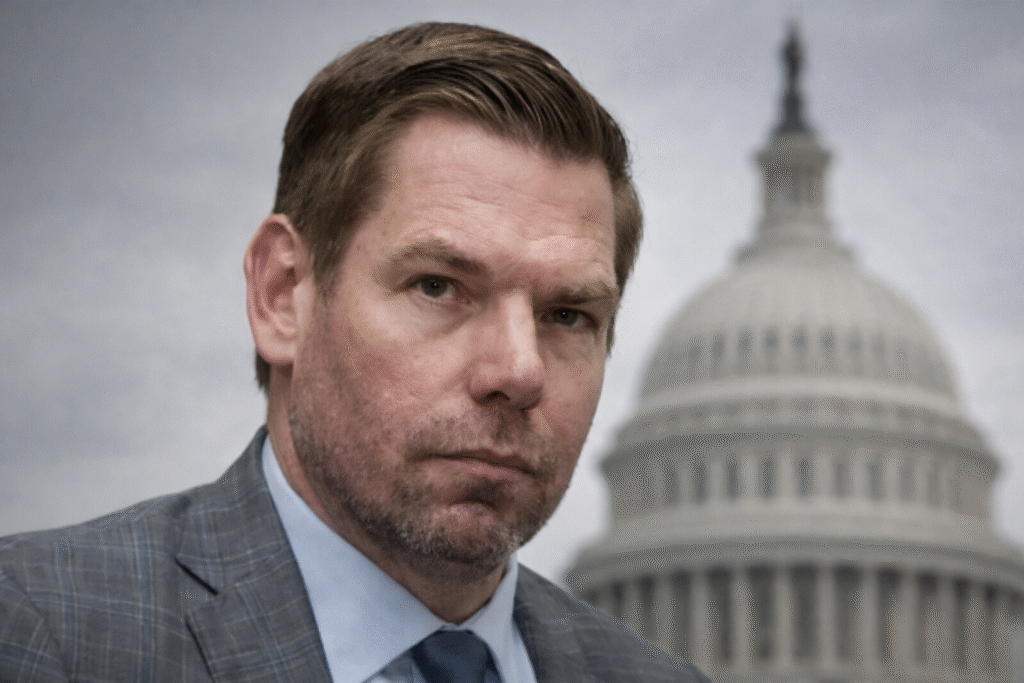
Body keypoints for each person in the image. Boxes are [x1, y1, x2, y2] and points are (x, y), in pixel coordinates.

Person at [0, 22, 709, 683]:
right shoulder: (41, 633)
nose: (519, 371)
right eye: (438, 286)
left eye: (567, 315)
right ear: (283, 294)